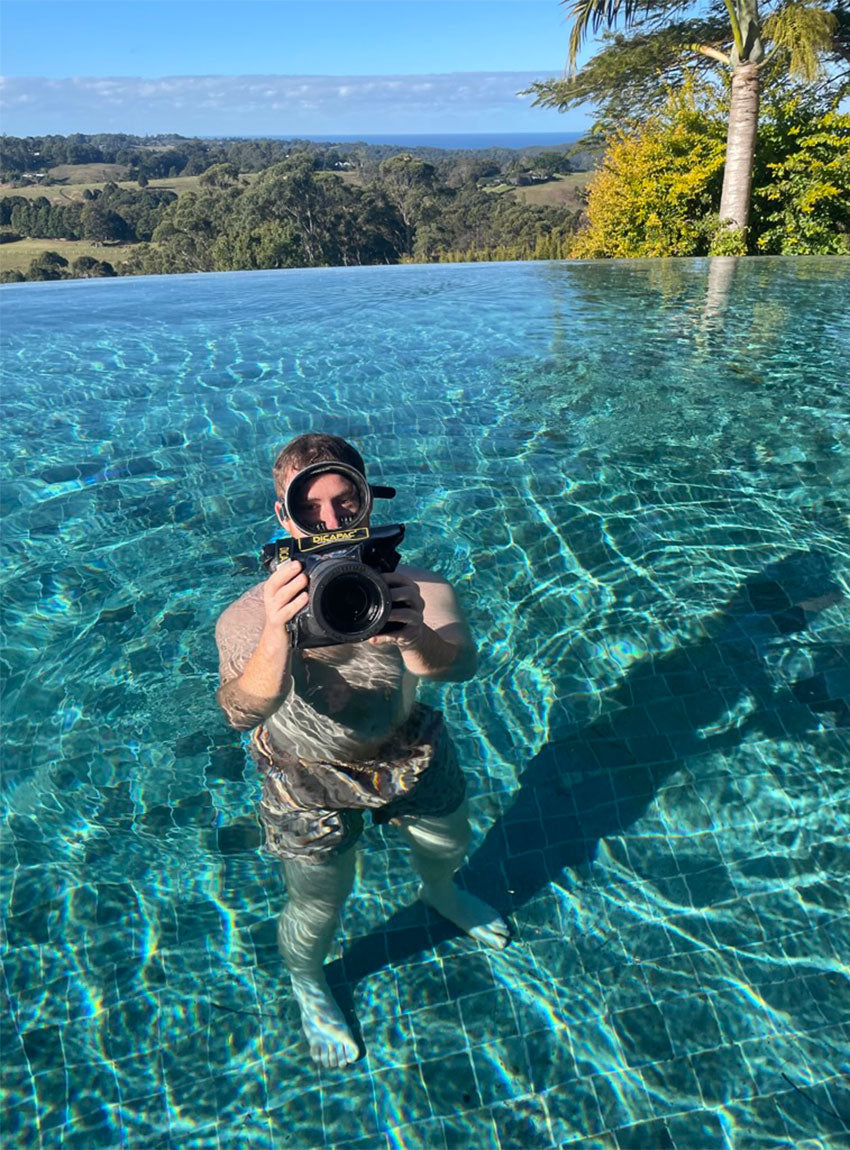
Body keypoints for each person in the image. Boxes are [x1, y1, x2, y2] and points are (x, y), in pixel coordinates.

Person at [215, 433, 508, 1068]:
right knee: (320, 898)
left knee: (449, 841)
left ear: (370, 499)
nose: (329, 522)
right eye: (310, 508)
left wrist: (413, 636)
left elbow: (459, 669)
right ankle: (307, 979)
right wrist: (277, 635)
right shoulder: (246, 617)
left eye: (347, 504)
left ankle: (441, 892)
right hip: (303, 770)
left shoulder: (417, 588)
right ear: (282, 516)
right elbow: (241, 713)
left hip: (406, 747)